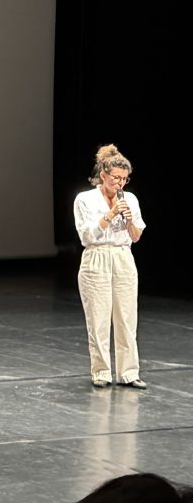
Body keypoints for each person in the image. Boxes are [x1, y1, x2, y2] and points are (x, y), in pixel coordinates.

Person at [73, 144, 147, 389]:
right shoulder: (85, 199)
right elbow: (87, 237)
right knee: (99, 319)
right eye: (116, 178)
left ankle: (129, 372)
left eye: (124, 179)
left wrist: (127, 221)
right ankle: (102, 371)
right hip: (97, 258)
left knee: (127, 318)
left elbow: (136, 236)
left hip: (123, 257)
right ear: (103, 175)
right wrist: (110, 214)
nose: (120, 184)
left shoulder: (131, 199)